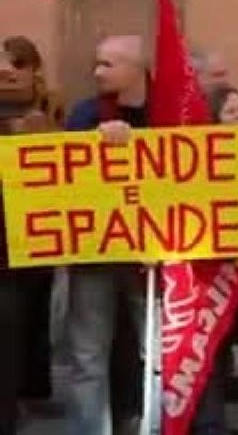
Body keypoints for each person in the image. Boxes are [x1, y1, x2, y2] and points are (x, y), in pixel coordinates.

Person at [62, 35, 152, 435]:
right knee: (87, 358)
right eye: (97, 64)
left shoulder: (168, 111)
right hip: (95, 255)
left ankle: (159, 425)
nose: (97, 72)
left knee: (162, 352)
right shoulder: (85, 114)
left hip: (152, 255)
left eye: (108, 64)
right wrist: (95, 141)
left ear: (136, 69)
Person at [190, 85, 238, 435]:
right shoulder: (201, 158)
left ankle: (214, 418)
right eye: (232, 112)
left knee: (223, 343)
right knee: (208, 346)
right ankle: (207, 422)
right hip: (211, 268)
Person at [0, 37, 56, 434]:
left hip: (38, 239)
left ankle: (30, 391)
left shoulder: (53, 108)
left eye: (18, 63)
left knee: (30, 322)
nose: (8, 70)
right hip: (3, 244)